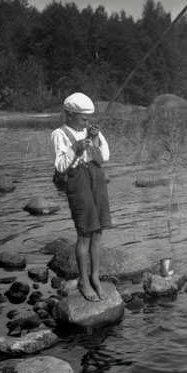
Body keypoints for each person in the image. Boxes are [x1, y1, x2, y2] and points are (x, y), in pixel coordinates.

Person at [51, 92, 112, 302]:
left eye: (89, 119)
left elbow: (104, 158)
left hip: (97, 177)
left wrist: (95, 138)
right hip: (77, 181)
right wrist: (76, 147)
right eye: (83, 119)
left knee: (98, 231)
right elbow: (60, 166)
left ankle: (95, 276)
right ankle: (83, 280)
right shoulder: (59, 134)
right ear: (69, 115)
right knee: (85, 232)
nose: (87, 123)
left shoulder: (89, 131)